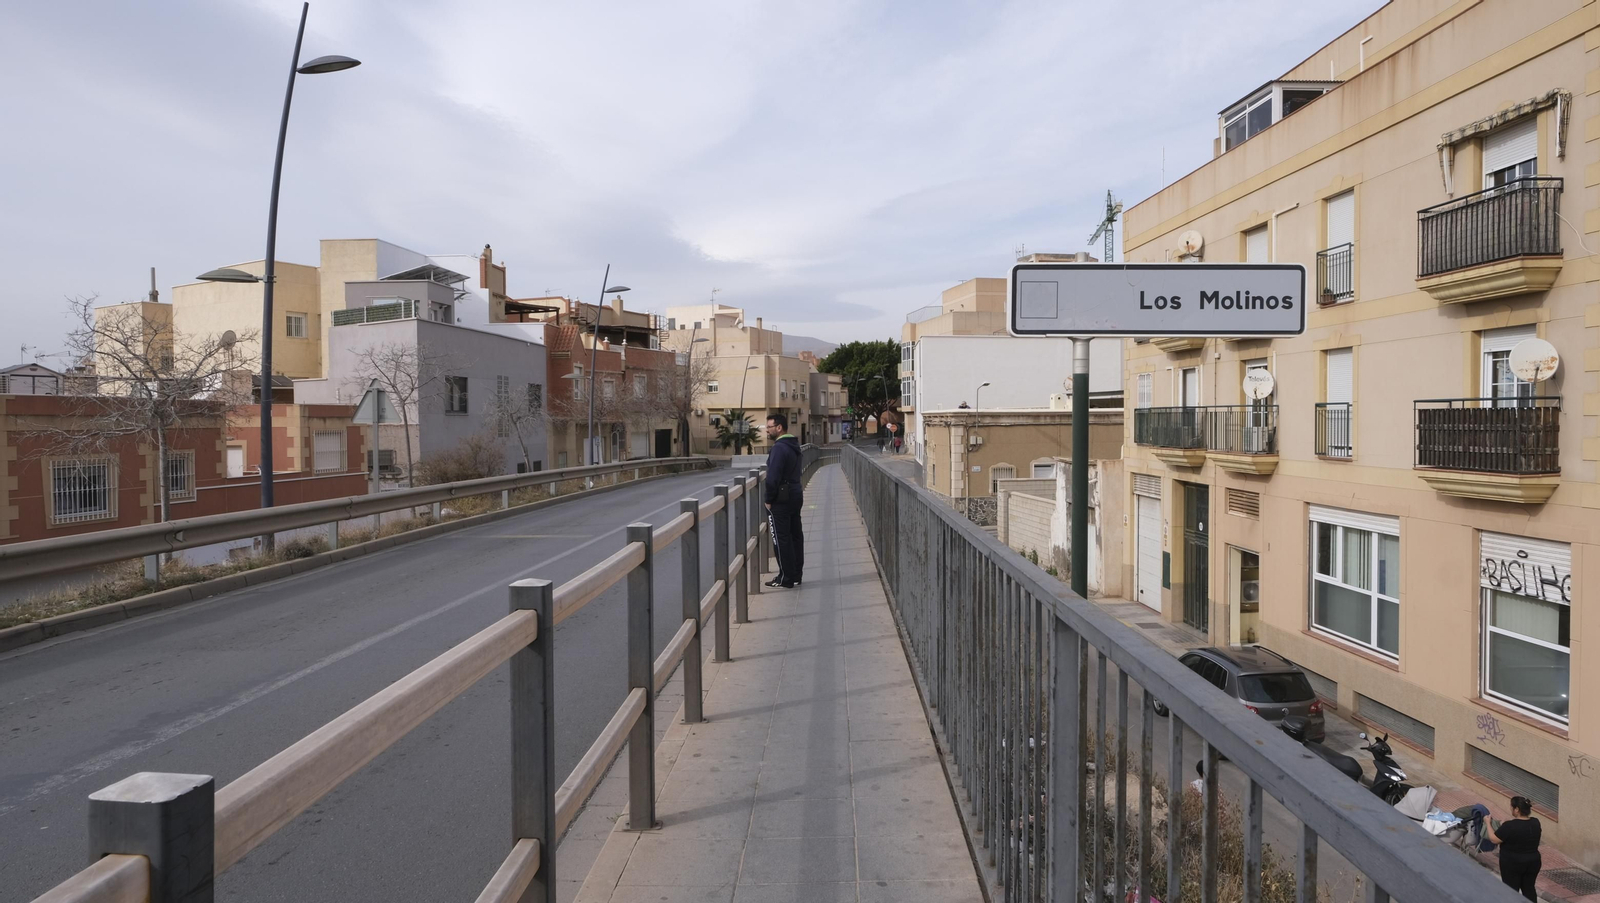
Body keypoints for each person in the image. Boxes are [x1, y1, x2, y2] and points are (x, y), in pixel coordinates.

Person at [763, 413, 804, 588]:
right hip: (795, 493)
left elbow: (773, 477)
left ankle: (785, 578)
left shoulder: (779, 448)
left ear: (779, 428)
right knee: (795, 535)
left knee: (780, 538)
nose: (767, 430)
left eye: (769, 427)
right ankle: (796, 574)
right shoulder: (794, 445)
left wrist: (768, 499)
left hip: (781, 497)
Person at [1487, 796, 1542, 900]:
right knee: (1529, 888)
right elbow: (1522, 829)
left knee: (1511, 890)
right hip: (1533, 862)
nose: (1510, 809)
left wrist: (1488, 823)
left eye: (1512, 807)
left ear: (1517, 809)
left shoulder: (1510, 826)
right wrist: (1506, 825)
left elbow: (1494, 839)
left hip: (1513, 864)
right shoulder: (1535, 822)